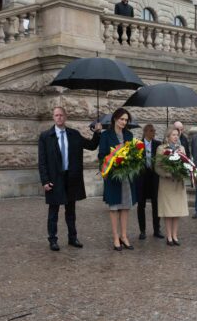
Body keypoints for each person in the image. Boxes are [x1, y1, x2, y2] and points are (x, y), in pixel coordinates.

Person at [38, 107, 101, 251]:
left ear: (65, 117)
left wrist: (97, 132)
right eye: (56, 115)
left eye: (61, 115)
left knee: (71, 211)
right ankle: (52, 240)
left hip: (71, 178)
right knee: (53, 211)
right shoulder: (46, 136)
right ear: (53, 117)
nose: (59, 117)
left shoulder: (74, 134)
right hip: (54, 178)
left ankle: (73, 237)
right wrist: (45, 181)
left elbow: (91, 146)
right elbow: (42, 161)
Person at [98, 107, 137, 251]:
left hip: (126, 178)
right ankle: (115, 237)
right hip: (113, 177)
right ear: (115, 118)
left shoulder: (129, 135)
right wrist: (112, 162)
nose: (124, 122)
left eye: (126, 120)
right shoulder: (106, 136)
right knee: (114, 208)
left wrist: (131, 162)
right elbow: (101, 155)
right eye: (122, 119)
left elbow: (133, 154)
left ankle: (124, 236)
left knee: (126, 207)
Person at [154, 128, 189, 246]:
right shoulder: (161, 148)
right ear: (168, 136)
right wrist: (168, 174)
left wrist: (183, 172)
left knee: (177, 211)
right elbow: (157, 167)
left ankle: (175, 235)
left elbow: (186, 163)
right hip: (167, 183)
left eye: (177, 135)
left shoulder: (181, 148)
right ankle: (169, 236)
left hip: (178, 183)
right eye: (173, 135)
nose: (176, 137)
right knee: (168, 212)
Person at [135, 124, 164, 240]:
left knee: (156, 205)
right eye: (151, 131)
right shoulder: (138, 145)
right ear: (145, 132)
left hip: (154, 178)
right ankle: (142, 231)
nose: (154, 133)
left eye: (154, 130)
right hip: (141, 179)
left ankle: (157, 229)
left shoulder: (158, 145)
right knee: (141, 205)